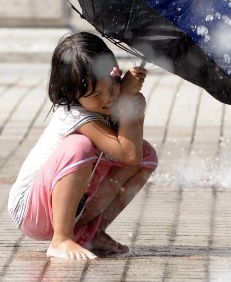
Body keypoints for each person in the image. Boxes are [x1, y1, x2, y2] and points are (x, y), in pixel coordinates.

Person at [8, 32, 157, 260]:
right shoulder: (72, 113)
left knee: (147, 154)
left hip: (74, 207)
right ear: (73, 92)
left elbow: (135, 153)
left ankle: (92, 232)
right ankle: (61, 239)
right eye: (98, 93)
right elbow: (127, 154)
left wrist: (135, 109)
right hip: (30, 209)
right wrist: (126, 99)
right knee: (79, 146)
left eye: (114, 85)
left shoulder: (107, 104)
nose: (108, 98)